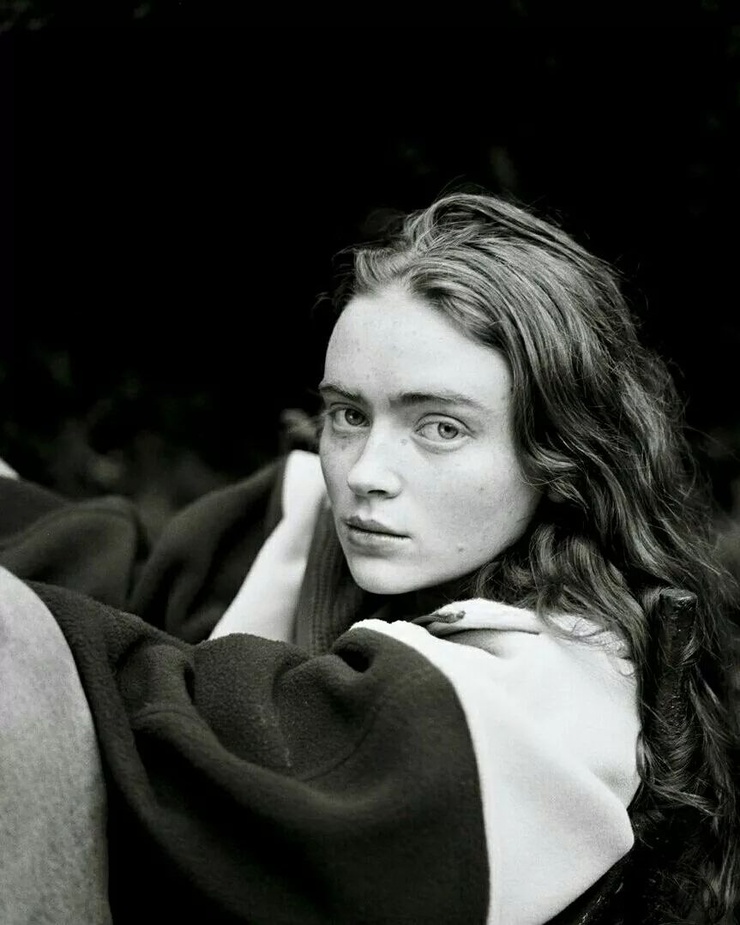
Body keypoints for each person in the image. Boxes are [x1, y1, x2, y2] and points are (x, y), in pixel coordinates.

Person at [0, 189, 738, 924]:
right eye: (349, 414)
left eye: (440, 427)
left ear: (561, 452)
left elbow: (270, 749)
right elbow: (124, 569)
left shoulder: (553, 698)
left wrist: (26, 633)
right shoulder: (320, 528)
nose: (364, 472)